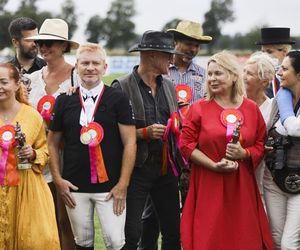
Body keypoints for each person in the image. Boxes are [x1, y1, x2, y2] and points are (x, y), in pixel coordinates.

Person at [180, 50, 274, 249]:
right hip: (208, 181)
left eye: (218, 73)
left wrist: (244, 154)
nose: (212, 79)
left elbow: (260, 143)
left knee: (242, 235)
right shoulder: (199, 108)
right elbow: (186, 145)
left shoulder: (250, 108)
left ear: (233, 76)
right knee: (209, 234)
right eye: (210, 74)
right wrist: (213, 165)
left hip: (241, 184)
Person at [47, 42, 136, 250]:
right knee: (82, 242)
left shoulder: (118, 99)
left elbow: (130, 142)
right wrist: (59, 180)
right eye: (85, 63)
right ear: (76, 66)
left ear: (105, 67)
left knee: (115, 241)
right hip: (74, 186)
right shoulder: (63, 101)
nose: (90, 68)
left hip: (111, 187)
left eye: (96, 63)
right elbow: (52, 143)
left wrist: (123, 184)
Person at [139, 20, 212, 250]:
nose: (192, 49)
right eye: (188, 44)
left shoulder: (205, 75)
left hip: (191, 154)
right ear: (175, 42)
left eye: (196, 46)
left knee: (190, 209)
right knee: (151, 213)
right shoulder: (158, 73)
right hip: (162, 154)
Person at [112, 30, 183, 250]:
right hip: (136, 172)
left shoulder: (170, 87)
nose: (172, 60)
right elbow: (111, 135)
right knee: (130, 235)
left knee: (173, 233)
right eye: (167, 55)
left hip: (166, 171)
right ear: (152, 55)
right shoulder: (121, 87)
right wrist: (144, 133)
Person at [25, 18, 80, 250]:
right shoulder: (30, 80)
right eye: (41, 43)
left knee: (65, 220)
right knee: (42, 221)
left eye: (51, 43)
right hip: (36, 157)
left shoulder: (78, 77)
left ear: (64, 46)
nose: (44, 47)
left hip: (67, 156)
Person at [0, 63, 59, 249]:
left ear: (17, 83)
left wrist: (33, 153)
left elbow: (46, 150)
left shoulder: (33, 116)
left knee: (36, 239)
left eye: (3, 82)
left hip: (27, 186)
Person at [264, 50, 300, 249]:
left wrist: (285, 110)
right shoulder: (281, 97)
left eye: (285, 69)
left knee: (289, 244)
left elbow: (294, 129)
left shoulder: (282, 99)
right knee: (276, 240)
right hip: (275, 177)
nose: (279, 72)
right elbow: (268, 128)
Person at [243, 52, 276, 204]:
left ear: (264, 82)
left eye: (249, 73)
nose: (243, 76)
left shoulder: (273, 107)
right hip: (241, 166)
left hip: (265, 172)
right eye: (243, 71)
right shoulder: (235, 104)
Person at [256, 27, 295, 98]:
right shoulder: (258, 74)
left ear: (285, 51)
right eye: (262, 52)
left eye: (269, 51)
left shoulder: (294, 75)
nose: (264, 56)